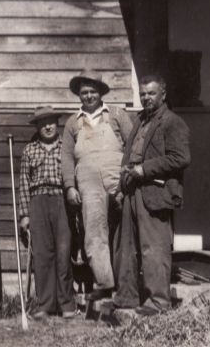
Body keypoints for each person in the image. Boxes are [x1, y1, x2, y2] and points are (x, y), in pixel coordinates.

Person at [113, 75, 190, 316]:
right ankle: (127, 297)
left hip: (155, 192)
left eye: (151, 93)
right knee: (126, 247)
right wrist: (120, 188)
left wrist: (144, 169)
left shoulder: (172, 122)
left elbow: (180, 158)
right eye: (143, 94)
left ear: (163, 95)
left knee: (153, 248)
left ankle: (158, 302)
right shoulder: (139, 121)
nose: (146, 98)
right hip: (131, 190)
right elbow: (129, 156)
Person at [61, 70, 133, 301]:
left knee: (125, 231)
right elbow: (66, 157)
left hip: (118, 179)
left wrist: (127, 181)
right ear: (79, 95)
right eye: (84, 93)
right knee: (94, 233)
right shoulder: (73, 122)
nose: (89, 96)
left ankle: (128, 286)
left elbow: (133, 147)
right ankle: (104, 283)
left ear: (101, 93)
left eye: (93, 91)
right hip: (88, 182)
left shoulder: (117, 115)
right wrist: (70, 186)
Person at [18, 105, 76, 320]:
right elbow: (24, 183)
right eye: (43, 124)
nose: (48, 127)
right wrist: (24, 214)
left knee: (63, 252)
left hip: (62, 200)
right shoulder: (29, 150)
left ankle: (66, 304)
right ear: (37, 127)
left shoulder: (67, 147)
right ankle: (45, 304)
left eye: (51, 122)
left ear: (57, 123)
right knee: (42, 254)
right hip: (38, 201)